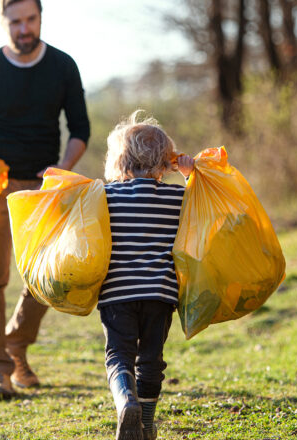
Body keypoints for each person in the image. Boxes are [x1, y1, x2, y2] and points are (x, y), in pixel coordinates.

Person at [0, 0, 90, 402]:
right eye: (16, 22)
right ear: (4, 23)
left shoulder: (63, 66)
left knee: (49, 277)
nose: (24, 29)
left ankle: (15, 343)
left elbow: (80, 128)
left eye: (30, 20)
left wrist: (62, 167)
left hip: (45, 190)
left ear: (41, 18)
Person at [99, 110, 193, 440]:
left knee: (119, 355)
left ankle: (126, 403)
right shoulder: (179, 197)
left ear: (120, 160)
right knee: (151, 359)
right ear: (165, 161)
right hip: (160, 293)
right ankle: (147, 424)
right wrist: (188, 174)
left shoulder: (105, 198)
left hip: (117, 294)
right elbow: (204, 211)